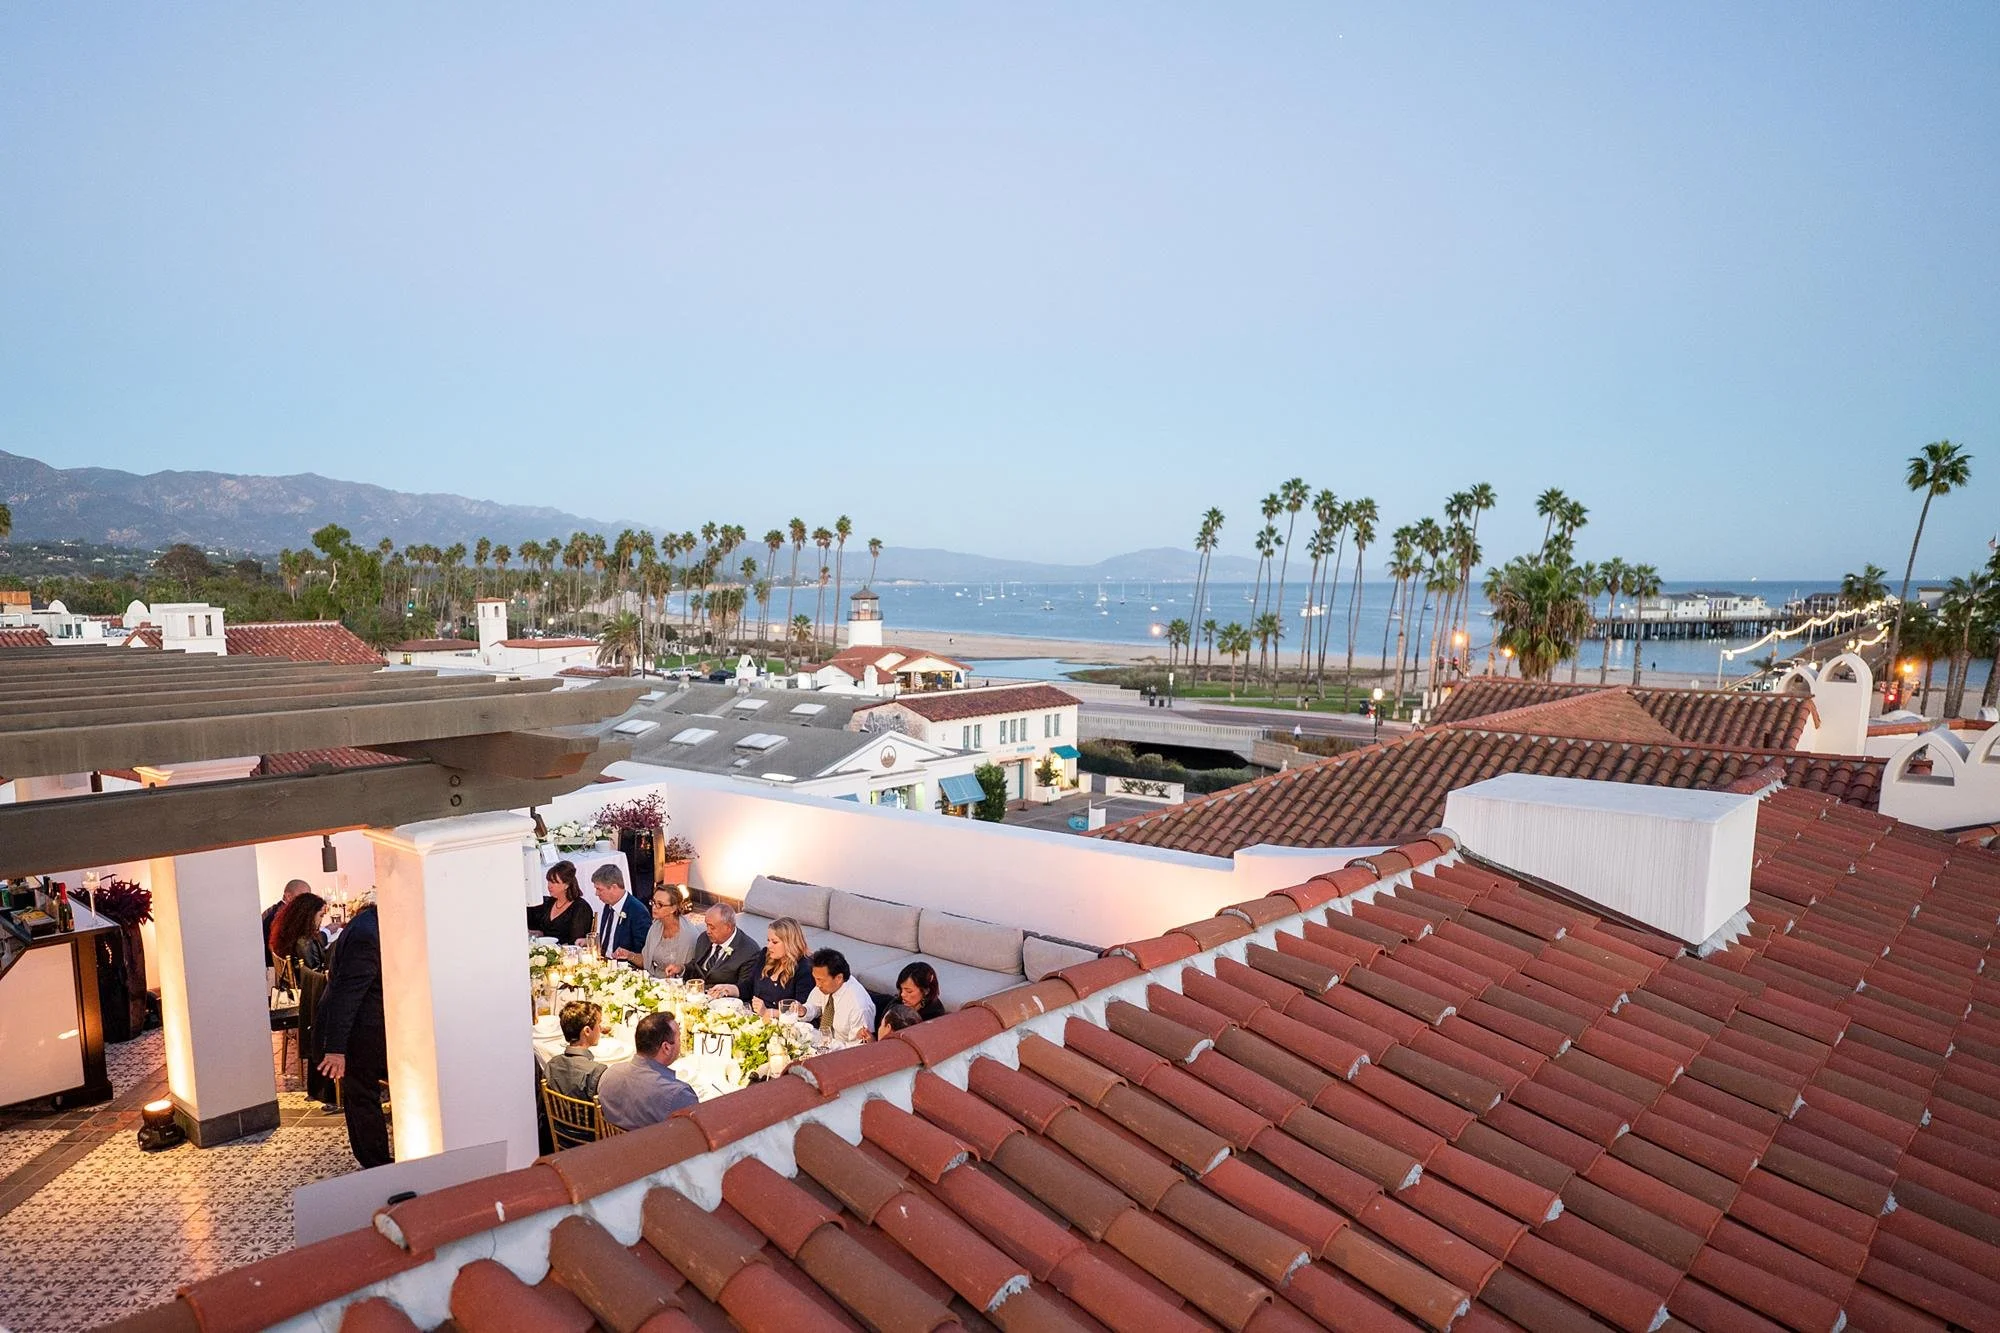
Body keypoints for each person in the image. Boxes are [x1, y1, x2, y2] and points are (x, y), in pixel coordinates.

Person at [316, 899, 390, 1168]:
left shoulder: (366, 923)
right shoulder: (368, 934)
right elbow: (348, 994)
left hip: (364, 1028)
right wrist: (336, 1049)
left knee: (358, 1097)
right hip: (360, 1032)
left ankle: (372, 1162)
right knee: (362, 1098)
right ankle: (377, 1165)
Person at [595, 1010, 698, 1130]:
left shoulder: (609, 1074)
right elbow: (695, 1135)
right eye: (679, 1038)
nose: (680, 1043)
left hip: (614, 1142)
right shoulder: (678, 1095)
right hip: (655, 1143)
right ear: (666, 1047)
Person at [682, 903, 763, 997]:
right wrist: (682, 969)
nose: (708, 931)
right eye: (707, 926)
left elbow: (745, 990)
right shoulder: (704, 938)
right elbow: (697, 966)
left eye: (712, 927)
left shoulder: (749, 952)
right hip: (695, 994)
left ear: (728, 927)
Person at [620, 887, 698, 978]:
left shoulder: (687, 936)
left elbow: (687, 973)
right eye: (653, 902)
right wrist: (629, 955)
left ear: (673, 908)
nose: (654, 907)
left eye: (660, 904)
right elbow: (646, 961)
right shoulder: (656, 926)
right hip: (653, 978)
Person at [804, 948, 876, 1045]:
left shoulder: (858, 1006)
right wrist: (804, 1010)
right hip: (822, 1041)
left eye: (821, 980)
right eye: (815, 979)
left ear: (839, 978)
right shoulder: (826, 985)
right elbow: (815, 1005)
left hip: (842, 1050)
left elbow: (858, 1047)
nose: (817, 985)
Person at [543, 1000, 605, 1099]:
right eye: (599, 1024)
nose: (601, 1029)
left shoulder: (551, 1064)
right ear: (587, 1031)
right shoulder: (596, 1071)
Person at [750, 918, 816, 1012]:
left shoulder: (805, 968)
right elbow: (749, 985)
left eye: (774, 942)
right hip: (755, 1015)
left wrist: (767, 1012)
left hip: (783, 1020)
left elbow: (800, 1010)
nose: (769, 946)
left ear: (790, 943)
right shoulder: (766, 954)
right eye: (768, 940)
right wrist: (731, 989)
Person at [591, 864, 651, 959]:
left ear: (614, 887)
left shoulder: (638, 912)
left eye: (599, 889)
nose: (596, 893)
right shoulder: (608, 904)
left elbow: (642, 952)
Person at [268, 891, 330, 976]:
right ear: (310, 915)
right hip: (309, 982)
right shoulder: (304, 942)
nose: (321, 920)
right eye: (321, 915)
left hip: (297, 978)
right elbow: (315, 974)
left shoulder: (290, 934)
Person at [535, 862, 595, 945]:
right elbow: (544, 931)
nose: (549, 886)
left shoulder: (580, 908)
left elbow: (576, 941)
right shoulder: (549, 902)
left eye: (554, 882)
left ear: (567, 885)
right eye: (549, 881)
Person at [263, 879, 311, 967]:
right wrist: (326, 932)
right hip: (283, 966)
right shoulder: (284, 916)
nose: (308, 902)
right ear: (288, 896)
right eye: (303, 898)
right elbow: (301, 945)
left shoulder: (276, 909)